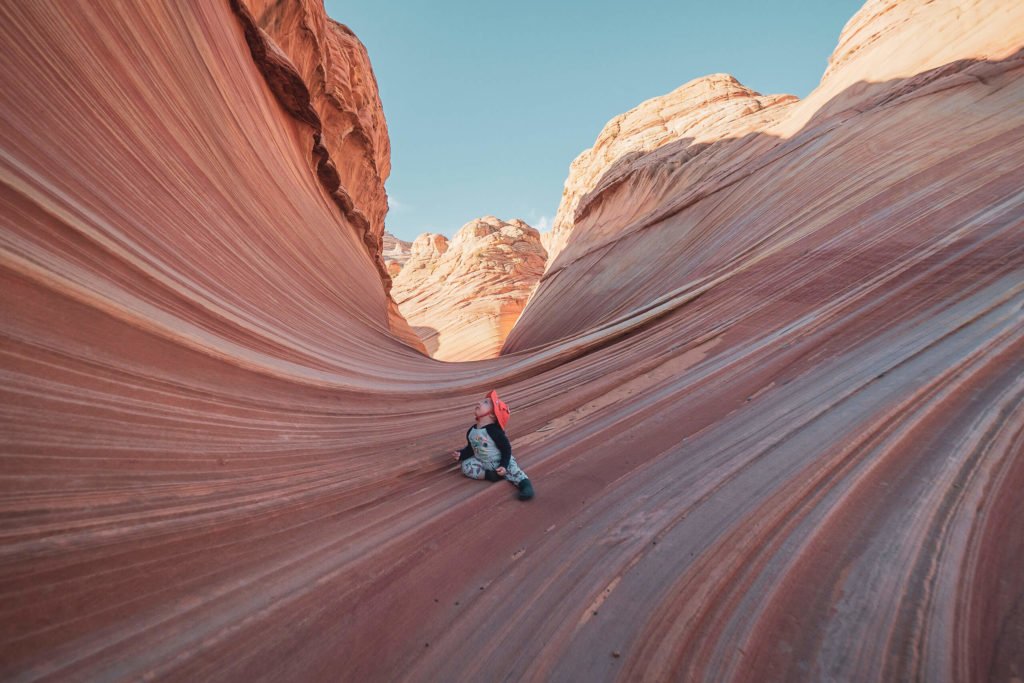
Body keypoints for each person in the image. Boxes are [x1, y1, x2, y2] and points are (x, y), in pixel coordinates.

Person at [451, 390, 534, 500]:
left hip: (500, 461)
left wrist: (504, 465)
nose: (479, 402)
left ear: (492, 414)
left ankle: (525, 486)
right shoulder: (471, 431)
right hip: (482, 462)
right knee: (466, 466)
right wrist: (461, 454)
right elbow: (472, 449)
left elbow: (506, 449)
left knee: (514, 471)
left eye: (485, 402)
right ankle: (491, 476)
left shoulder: (495, 432)